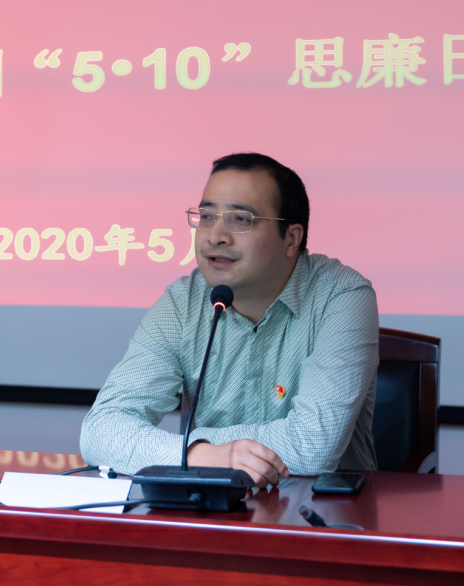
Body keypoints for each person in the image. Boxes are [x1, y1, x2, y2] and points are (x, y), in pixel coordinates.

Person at [80, 153, 379, 487]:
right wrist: (195, 454)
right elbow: (100, 430)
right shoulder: (183, 302)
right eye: (206, 217)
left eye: (240, 219)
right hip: (210, 507)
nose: (215, 236)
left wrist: (195, 451)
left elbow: (313, 446)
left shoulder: (342, 296)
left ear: (291, 239)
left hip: (325, 511)